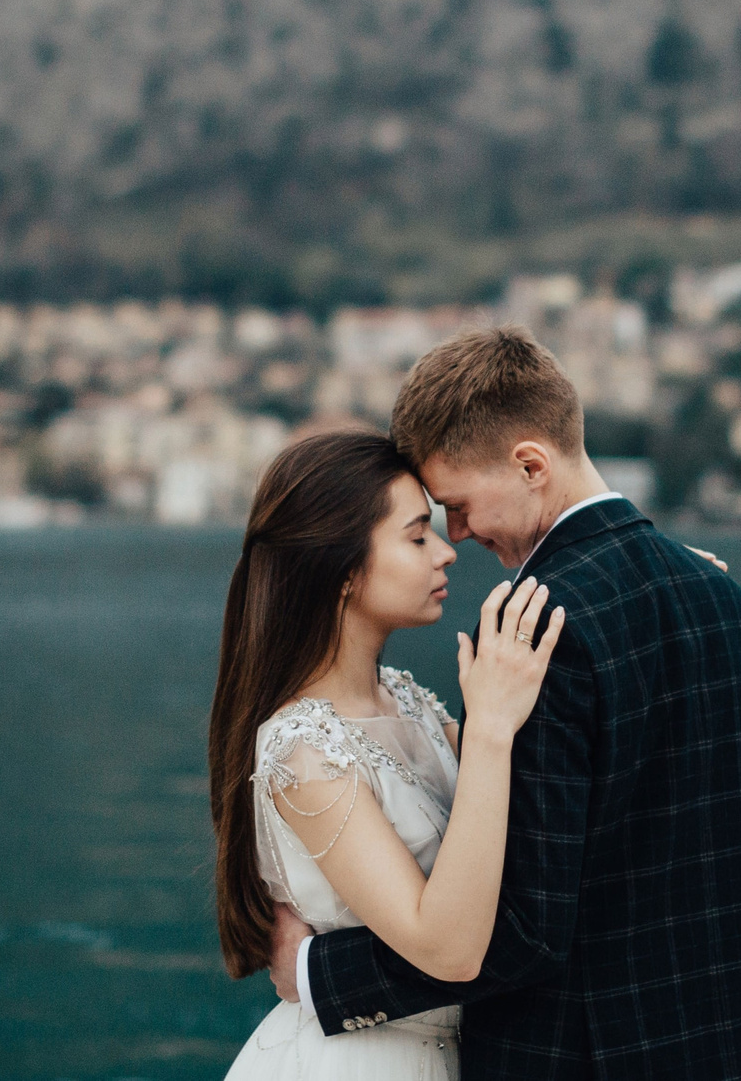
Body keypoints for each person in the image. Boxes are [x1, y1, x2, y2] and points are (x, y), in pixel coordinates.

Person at [263, 327, 741, 1080]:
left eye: (460, 504)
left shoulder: (531, 631)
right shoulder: (724, 599)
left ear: (531, 464)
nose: (459, 534)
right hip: (740, 1047)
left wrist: (319, 974)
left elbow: (521, 929)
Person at [210, 426, 565, 1080]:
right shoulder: (303, 752)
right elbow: (448, 948)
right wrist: (486, 725)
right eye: (416, 535)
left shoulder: (410, 701)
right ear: (345, 572)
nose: (447, 552)